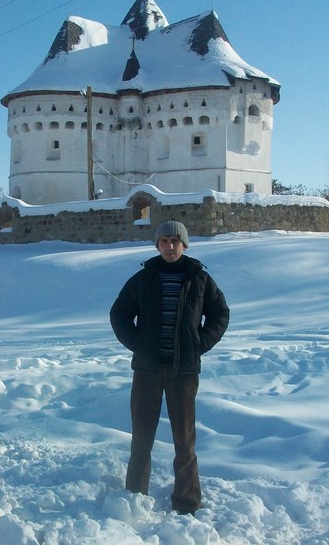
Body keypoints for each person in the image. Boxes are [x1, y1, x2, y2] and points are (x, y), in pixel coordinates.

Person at [110, 220, 230, 514]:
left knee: (184, 440)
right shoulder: (143, 279)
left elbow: (220, 313)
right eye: (164, 241)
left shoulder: (200, 279)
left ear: (184, 245)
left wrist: (199, 344)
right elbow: (119, 313)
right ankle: (135, 496)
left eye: (175, 241)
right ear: (157, 245)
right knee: (141, 437)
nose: (170, 246)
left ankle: (187, 501)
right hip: (147, 370)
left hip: (183, 371)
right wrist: (138, 344)